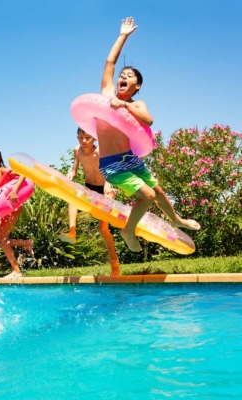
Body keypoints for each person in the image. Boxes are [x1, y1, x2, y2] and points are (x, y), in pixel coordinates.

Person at [97, 16, 200, 252]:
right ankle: (128, 230)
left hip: (130, 158)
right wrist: (123, 36)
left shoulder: (137, 104)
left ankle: (176, 220)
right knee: (148, 195)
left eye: (129, 76)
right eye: (122, 75)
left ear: (138, 85)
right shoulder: (106, 94)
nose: (123, 77)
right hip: (112, 164)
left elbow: (149, 120)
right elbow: (109, 62)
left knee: (159, 191)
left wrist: (125, 106)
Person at [59, 127, 120, 275]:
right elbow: (75, 168)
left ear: (95, 138)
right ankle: (72, 232)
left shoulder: (100, 152)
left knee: (103, 229)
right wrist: (72, 172)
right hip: (89, 188)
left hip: (104, 188)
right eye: (81, 137)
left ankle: (115, 265)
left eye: (88, 137)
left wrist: (108, 188)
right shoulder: (77, 151)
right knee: (72, 199)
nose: (84, 141)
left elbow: (108, 172)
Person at [0, 148, 34, 279]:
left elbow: (23, 174)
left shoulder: (4, 171)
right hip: (0, 210)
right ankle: (26, 243)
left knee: (2, 239)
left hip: (12, 207)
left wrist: (14, 191)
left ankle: (17, 271)